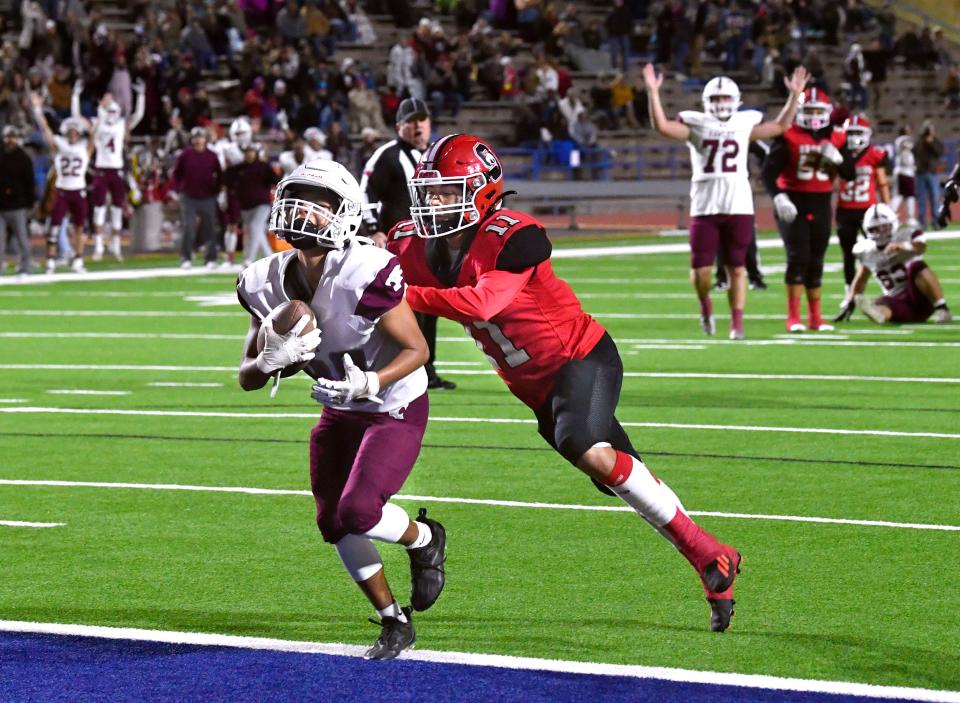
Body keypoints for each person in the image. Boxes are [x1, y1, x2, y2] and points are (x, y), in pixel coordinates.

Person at [387, 134, 742, 633]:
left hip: (582, 359)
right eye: (431, 192)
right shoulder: (415, 244)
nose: (435, 203)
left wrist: (400, 293)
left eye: (448, 192)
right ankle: (713, 558)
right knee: (621, 481)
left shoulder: (512, 235)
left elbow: (482, 303)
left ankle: (709, 555)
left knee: (588, 447)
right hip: (536, 388)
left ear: (484, 191)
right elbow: (373, 269)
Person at [236, 158, 446, 660]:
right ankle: (393, 620)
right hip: (337, 409)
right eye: (296, 197)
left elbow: (418, 350)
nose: (300, 209)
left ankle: (422, 538)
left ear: (345, 214)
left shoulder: (365, 270)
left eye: (319, 203)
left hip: (392, 403)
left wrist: (371, 380)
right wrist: (268, 361)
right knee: (333, 521)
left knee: (358, 510)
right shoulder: (262, 280)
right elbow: (246, 377)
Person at [643, 64, 809, 339]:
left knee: (738, 267)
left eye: (725, 98)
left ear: (736, 101)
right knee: (701, 271)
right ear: (707, 103)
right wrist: (653, 93)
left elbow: (781, 126)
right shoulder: (697, 125)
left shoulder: (744, 124)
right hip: (705, 206)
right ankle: (705, 306)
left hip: (738, 205)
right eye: (716, 99)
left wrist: (794, 96)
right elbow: (661, 126)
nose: (721, 104)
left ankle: (737, 323)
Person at [360, 97, 455, 390]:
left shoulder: (437, 155)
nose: (418, 127)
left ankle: (427, 369)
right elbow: (366, 193)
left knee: (427, 306)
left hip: (428, 241)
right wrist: (375, 229)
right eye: (411, 121)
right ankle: (399, 368)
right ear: (399, 126)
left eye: (422, 120)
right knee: (402, 306)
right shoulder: (387, 155)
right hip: (397, 245)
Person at [762, 88, 857, 332]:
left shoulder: (837, 136)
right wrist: (779, 197)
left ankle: (815, 317)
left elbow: (850, 174)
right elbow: (768, 173)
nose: (814, 115)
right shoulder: (788, 134)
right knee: (798, 257)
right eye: (809, 110)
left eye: (818, 110)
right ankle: (793, 317)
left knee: (816, 260)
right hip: (793, 201)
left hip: (821, 202)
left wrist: (838, 158)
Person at [837, 203, 951, 324]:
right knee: (882, 302)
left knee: (916, 266)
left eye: (884, 227)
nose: (880, 232)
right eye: (875, 228)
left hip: (920, 297)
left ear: (893, 223)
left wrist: (902, 247)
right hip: (898, 303)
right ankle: (878, 314)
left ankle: (942, 308)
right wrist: (850, 303)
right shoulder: (866, 250)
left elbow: (921, 247)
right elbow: (861, 279)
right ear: (867, 229)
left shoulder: (904, 237)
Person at [79, 80, 145, 263]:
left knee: (117, 209)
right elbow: (78, 117)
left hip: (116, 170)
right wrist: (76, 97)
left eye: (115, 111)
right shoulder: (97, 123)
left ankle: (115, 246)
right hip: (101, 169)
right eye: (110, 110)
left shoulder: (120, 126)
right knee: (99, 209)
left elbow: (138, 115)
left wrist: (141, 96)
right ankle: (99, 246)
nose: (112, 114)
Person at [29, 92, 94, 274]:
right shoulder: (59, 145)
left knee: (80, 227)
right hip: (63, 190)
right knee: (55, 226)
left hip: (78, 190)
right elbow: (46, 130)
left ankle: (78, 260)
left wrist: (97, 118)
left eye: (75, 133)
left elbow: (94, 136)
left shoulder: (85, 148)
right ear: (66, 133)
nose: (73, 136)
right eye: (70, 133)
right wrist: (37, 109)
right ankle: (50, 260)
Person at [833, 113, 890, 308]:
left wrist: (887, 208)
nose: (854, 137)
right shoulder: (839, 154)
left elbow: (882, 183)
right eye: (851, 132)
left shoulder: (875, 154)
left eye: (858, 132)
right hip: (845, 210)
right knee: (848, 255)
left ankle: (889, 290)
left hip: (869, 212)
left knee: (880, 252)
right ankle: (849, 292)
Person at [171, 126, 222, 269]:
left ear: (205, 139)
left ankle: (211, 258)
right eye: (196, 137)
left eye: (201, 137)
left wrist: (217, 191)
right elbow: (176, 174)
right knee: (188, 227)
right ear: (192, 140)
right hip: (188, 196)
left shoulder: (212, 156)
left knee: (210, 228)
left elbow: (219, 175)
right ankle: (185, 257)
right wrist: (177, 190)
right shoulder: (185, 155)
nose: (198, 140)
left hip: (208, 196)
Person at [224, 141, 278, 265]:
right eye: (247, 151)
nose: (249, 154)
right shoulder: (238, 168)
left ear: (256, 153)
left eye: (252, 151)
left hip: (262, 204)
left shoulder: (264, 166)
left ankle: (249, 258)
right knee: (256, 232)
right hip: (245, 206)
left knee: (254, 227)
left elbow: (277, 180)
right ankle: (270, 257)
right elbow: (227, 180)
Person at [0, 125, 36, 277]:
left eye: (13, 137)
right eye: (8, 137)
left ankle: (26, 266)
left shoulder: (23, 158)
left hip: (18, 205)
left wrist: (30, 204)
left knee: (22, 238)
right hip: (1, 206)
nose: (10, 140)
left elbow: (30, 182)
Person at [913, 120, 943, 229]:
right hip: (921, 173)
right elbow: (915, 152)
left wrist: (931, 143)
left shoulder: (936, 142)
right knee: (921, 199)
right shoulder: (919, 142)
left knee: (935, 198)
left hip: (933, 173)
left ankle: (936, 222)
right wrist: (924, 141)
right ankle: (922, 222)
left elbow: (939, 152)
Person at [890, 130, 917, 224]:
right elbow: (904, 147)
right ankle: (891, 216)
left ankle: (909, 217)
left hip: (906, 172)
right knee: (900, 195)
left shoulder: (903, 141)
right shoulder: (902, 140)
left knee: (908, 196)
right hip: (903, 171)